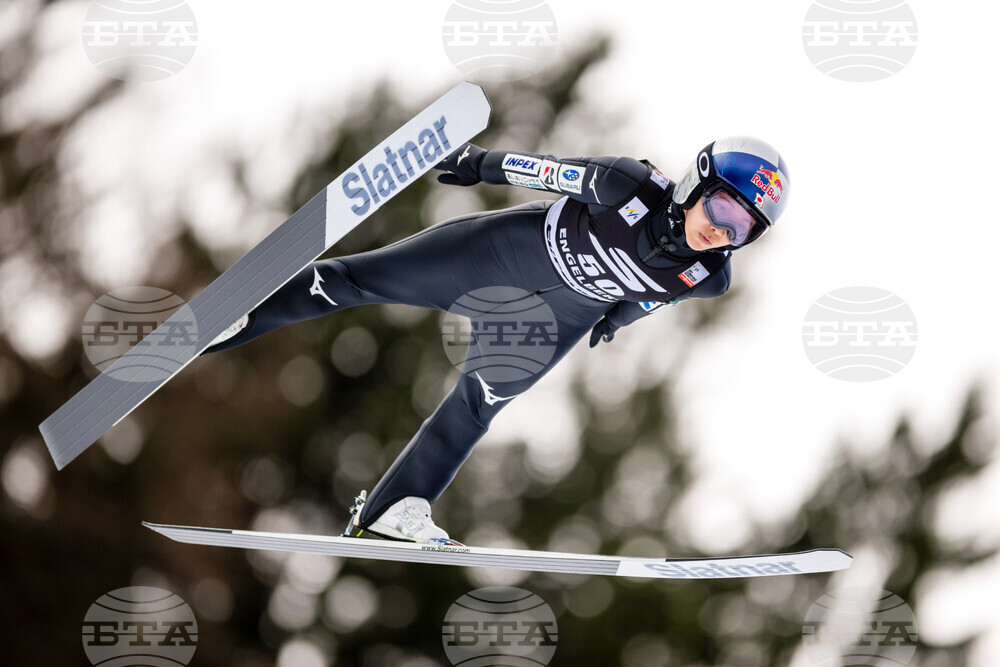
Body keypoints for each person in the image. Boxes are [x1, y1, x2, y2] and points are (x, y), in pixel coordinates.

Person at [204, 137, 791, 545]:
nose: (721, 228)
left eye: (741, 227)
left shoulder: (709, 276)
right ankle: (237, 315)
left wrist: (617, 320)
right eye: (721, 205)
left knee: (477, 405)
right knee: (358, 279)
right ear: (697, 182)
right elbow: (546, 170)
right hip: (498, 257)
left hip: (552, 320)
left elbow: (652, 295)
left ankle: (391, 511)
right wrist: (479, 164)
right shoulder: (627, 185)